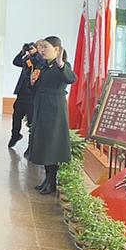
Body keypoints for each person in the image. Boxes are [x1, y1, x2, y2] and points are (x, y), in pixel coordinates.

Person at [29, 36, 77, 195]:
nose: (42, 50)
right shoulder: (44, 66)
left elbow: (71, 78)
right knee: (44, 143)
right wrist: (33, 82)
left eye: (46, 47)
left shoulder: (62, 66)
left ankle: (52, 182)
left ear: (57, 49)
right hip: (42, 106)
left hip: (54, 109)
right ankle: (47, 179)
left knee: (51, 145)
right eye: (41, 47)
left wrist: (61, 64)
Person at [8, 41, 45, 152]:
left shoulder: (41, 59)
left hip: (33, 95)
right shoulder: (27, 59)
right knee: (16, 116)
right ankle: (15, 135)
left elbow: (39, 62)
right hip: (22, 93)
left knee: (31, 121)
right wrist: (22, 52)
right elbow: (16, 62)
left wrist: (35, 54)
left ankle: (31, 145)